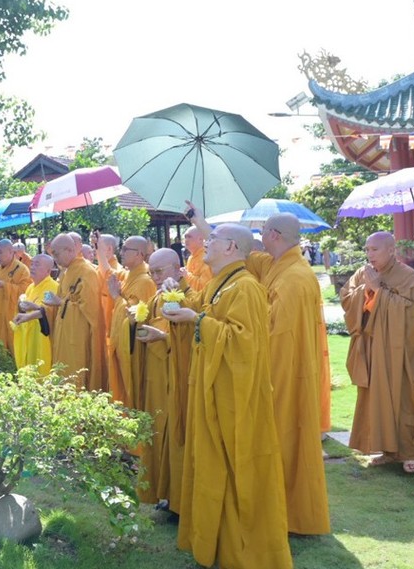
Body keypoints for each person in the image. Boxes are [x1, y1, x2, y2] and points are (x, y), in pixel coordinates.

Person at [189, 203, 330, 534]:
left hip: (284, 374)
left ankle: (289, 515)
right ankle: (277, 511)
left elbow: (278, 337)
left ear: (274, 236)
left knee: (284, 440)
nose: (258, 237)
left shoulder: (295, 278)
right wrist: (201, 223)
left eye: (262, 232)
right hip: (277, 369)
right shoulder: (278, 263)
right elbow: (238, 254)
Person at [163, 223, 292, 569]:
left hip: (235, 395)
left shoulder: (246, 287)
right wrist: (179, 294)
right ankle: (215, 539)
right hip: (213, 388)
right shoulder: (223, 283)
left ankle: (240, 547)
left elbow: (244, 342)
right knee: (209, 463)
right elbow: (206, 309)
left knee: (232, 464)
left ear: (232, 247)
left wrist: (197, 320)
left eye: (213, 239)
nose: (206, 243)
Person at [342, 231, 414, 474]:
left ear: (391, 251)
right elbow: (347, 298)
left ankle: (410, 454)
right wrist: (366, 290)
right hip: (374, 346)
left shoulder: (406, 275)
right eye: (367, 249)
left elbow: (411, 314)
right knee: (378, 397)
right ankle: (385, 450)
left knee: (405, 396)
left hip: (402, 349)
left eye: (375, 249)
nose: (370, 254)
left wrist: (378, 290)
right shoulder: (363, 272)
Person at [130, 248, 194, 511]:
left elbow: (194, 336)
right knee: (156, 430)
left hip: (177, 378)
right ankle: (161, 491)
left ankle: (179, 497)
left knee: (174, 433)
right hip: (156, 377)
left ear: (177, 269)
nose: (155, 277)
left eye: (160, 271)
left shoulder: (189, 296)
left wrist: (163, 337)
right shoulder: (158, 296)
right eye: (152, 272)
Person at [44, 234, 106, 389]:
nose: (55, 258)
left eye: (56, 254)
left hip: (78, 335)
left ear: (69, 250)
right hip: (64, 331)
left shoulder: (87, 272)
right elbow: (63, 299)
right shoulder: (66, 272)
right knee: (62, 370)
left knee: (76, 374)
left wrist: (61, 302)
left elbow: (91, 309)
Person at [107, 235, 157, 405]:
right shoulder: (130, 276)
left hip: (135, 346)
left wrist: (116, 296)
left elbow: (134, 315)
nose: (121, 252)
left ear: (140, 254)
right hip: (123, 342)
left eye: (126, 249)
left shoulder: (144, 280)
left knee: (132, 387)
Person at [12, 253, 58, 375]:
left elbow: (47, 309)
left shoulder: (51, 287)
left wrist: (31, 311)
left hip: (41, 337)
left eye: (37, 265)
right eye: (32, 264)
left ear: (48, 270)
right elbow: (28, 306)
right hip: (28, 333)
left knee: (40, 367)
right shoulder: (31, 287)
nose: (32, 267)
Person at [96, 234, 123, 333]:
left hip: (110, 325)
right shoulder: (97, 268)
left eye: (98, 247)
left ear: (109, 248)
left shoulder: (118, 271)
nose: (96, 252)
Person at [183, 226, 212, 291]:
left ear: (200, 239)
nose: (186, 240)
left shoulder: (206, 257)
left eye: (189, 237)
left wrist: (186, 275)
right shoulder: (191, 257)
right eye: (185, 237)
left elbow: (203, 286)